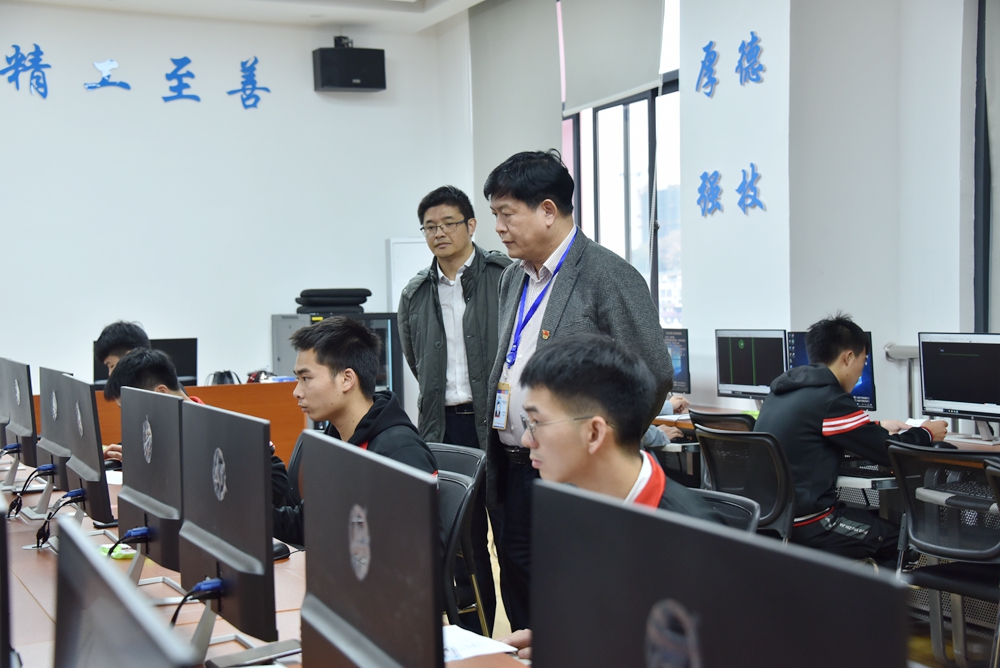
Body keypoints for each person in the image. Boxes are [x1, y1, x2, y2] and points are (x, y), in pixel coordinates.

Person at [484, 150, 672, 630]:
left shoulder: (608, 276)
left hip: (575, 473)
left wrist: (606, 448)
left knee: (570, 598)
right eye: (495, 215)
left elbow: (653, 374)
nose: (499, 228)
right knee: (521, 592)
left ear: (548, 210)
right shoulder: (512, 278)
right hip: (513, 465)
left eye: (507, 214)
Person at [498, 335, 720, 660]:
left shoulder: (693, 540)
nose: (527, 440)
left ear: (594, 433)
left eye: (536, 423)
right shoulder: (571, 508)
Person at [397, 185, 510, 634]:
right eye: (430, 227)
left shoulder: (504, 276)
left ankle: (526, 641)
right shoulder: (415, 293)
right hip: (444, 427)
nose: (439, 233)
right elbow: (416, 361)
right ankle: (475, 642)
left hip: (500, 425)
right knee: (463, 544)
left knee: (511, 538)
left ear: (471, 225)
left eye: (448, 223)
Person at [754, 314, 948, 562]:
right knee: (904, 540)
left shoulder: (783, 391)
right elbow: (888, 451)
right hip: (812, 523)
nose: (860, 371)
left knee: (877, 523)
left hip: (769, 520)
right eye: (863, 361)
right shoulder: (830, 398)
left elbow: (816, 428)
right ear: (847, 357)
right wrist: (927, 432)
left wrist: (875, 425)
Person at [273, 316, 437, 546]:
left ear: (347, 379)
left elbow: (422, 554)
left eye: (306, 378)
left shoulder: (400, 452)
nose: (296, 392)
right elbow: (310, 522)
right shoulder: (336, 441)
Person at [104, 348, 290, 507]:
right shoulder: (162, 432)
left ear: (161, 394)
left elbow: (277, 481)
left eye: (130, 408)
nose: (128, 417)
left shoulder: (223, 430)